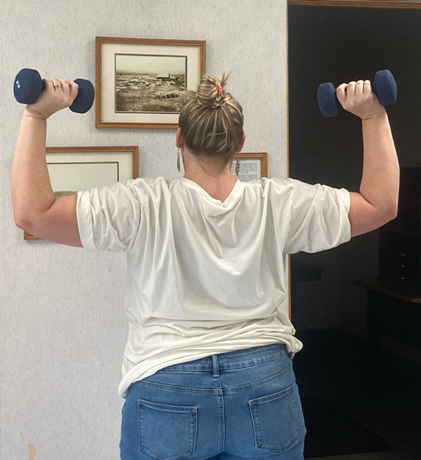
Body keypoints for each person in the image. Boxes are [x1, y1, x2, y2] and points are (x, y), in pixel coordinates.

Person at [11, 73, 399, 460]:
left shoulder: (142, 203)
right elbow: (380, 205)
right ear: (240, 144)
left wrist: (36, 115)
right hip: (262, 383)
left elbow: (33, 214)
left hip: (168, 384)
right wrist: (372, 116)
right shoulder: (279, 201)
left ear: (179, 138)